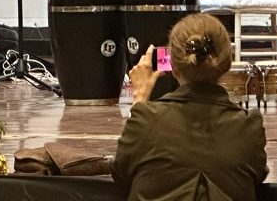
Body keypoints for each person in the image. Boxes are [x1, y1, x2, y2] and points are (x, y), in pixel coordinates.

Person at [112, 13, 269, 200]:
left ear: (173, 66)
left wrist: (139, 101)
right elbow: (256, 175)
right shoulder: (249, 126)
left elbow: (121, 174)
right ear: (227, 63)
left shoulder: (147, 120)